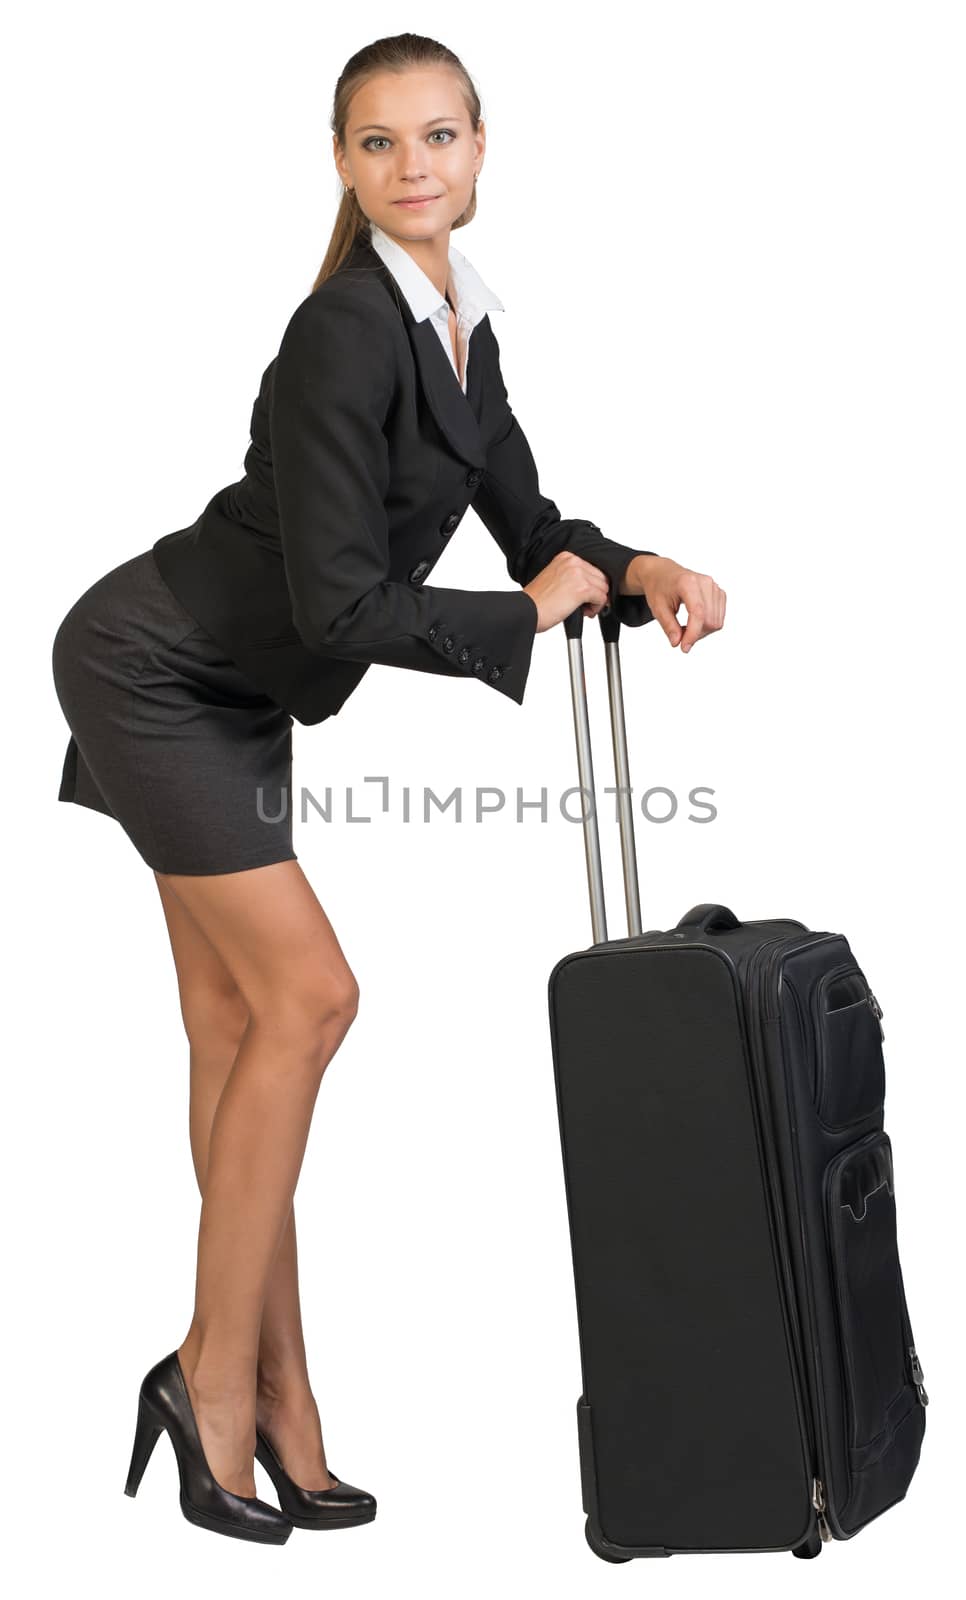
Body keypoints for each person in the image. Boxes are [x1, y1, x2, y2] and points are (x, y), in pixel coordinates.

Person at [50, 31, 726, 1546]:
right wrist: (538, 611)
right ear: (345, 169)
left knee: (238, 1028)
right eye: (378, 144)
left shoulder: (461, 326)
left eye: (437, 137)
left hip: (235, 682)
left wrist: (633, 569)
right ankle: (211, 1381)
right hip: (153, 667)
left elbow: (528, 519)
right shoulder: (347, 330)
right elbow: (352, 605)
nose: (412, 166)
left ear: (481, 152)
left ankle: (272, 1398)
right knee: (310, 1002)